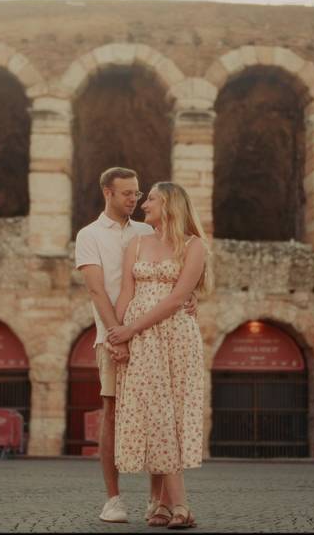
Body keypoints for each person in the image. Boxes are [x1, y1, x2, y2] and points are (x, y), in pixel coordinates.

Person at [75, 167, 195, 524]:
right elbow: (99, 291)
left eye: (139, 194)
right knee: (112, 412)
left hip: (154, 335)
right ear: (107, 193)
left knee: (160, 412)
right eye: (127, 193)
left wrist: (190, 299)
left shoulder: (147, 230)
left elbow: (177, 270)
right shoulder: (89, 235)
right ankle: (113, 499)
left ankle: (157, 500)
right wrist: (117, 336)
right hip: (113, 334)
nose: (135, 200)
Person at [107, 181, 213, 530]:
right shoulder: (136, 244)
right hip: (141, 341)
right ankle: (175, 505)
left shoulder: (194, 246)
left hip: (177, 337)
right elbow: (126, 293)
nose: (143, 204)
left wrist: (131, 330)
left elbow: (175, 299)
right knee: (156, 416)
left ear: (169, 203)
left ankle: (173, 506)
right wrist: (118, 337)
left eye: (150, 198)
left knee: (173, 417)